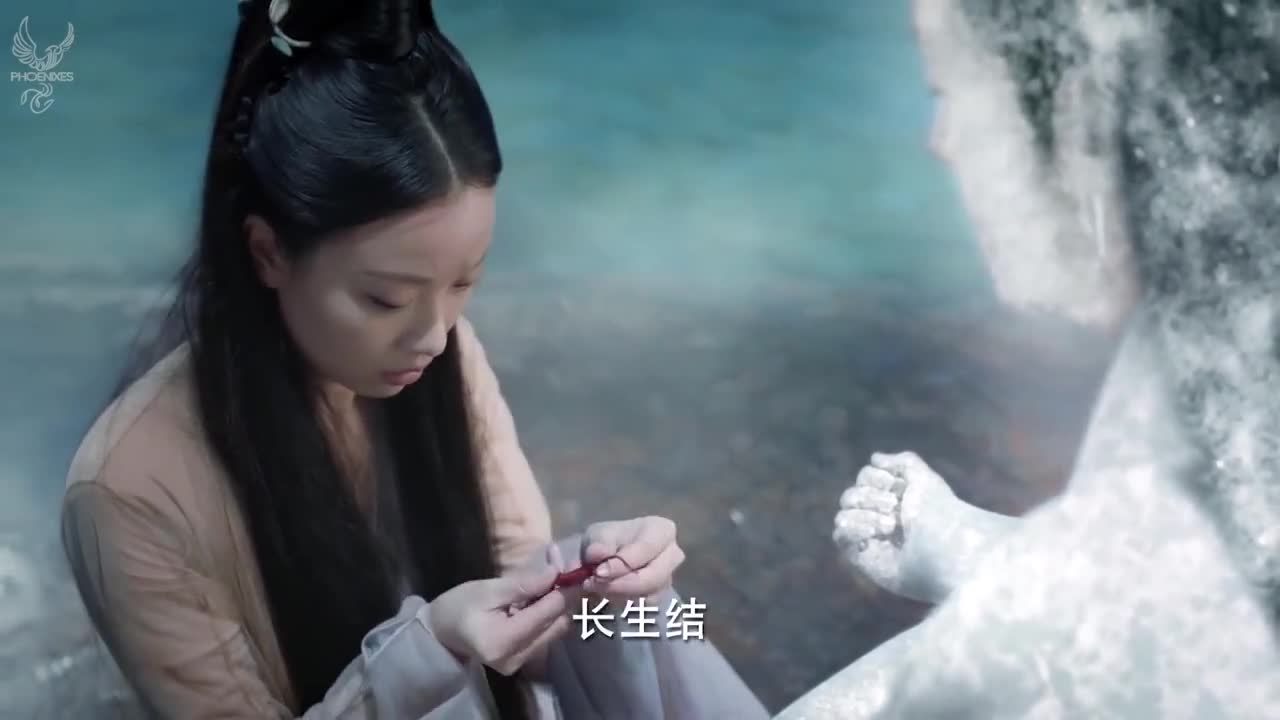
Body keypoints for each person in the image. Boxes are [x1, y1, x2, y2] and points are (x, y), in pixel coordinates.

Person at [59, 1, 769, 718]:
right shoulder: (130, 491)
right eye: (387, 299)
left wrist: (608, 587)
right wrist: (429, 651)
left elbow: (530, 626)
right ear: (268, 252)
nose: (433, 335)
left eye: (464, 283)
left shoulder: (444, 355)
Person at [779, 0, 1280, 717]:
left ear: (1081, 107)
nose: (939, 141)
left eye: (948, 93)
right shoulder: (1221, 302)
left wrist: (967, 553)